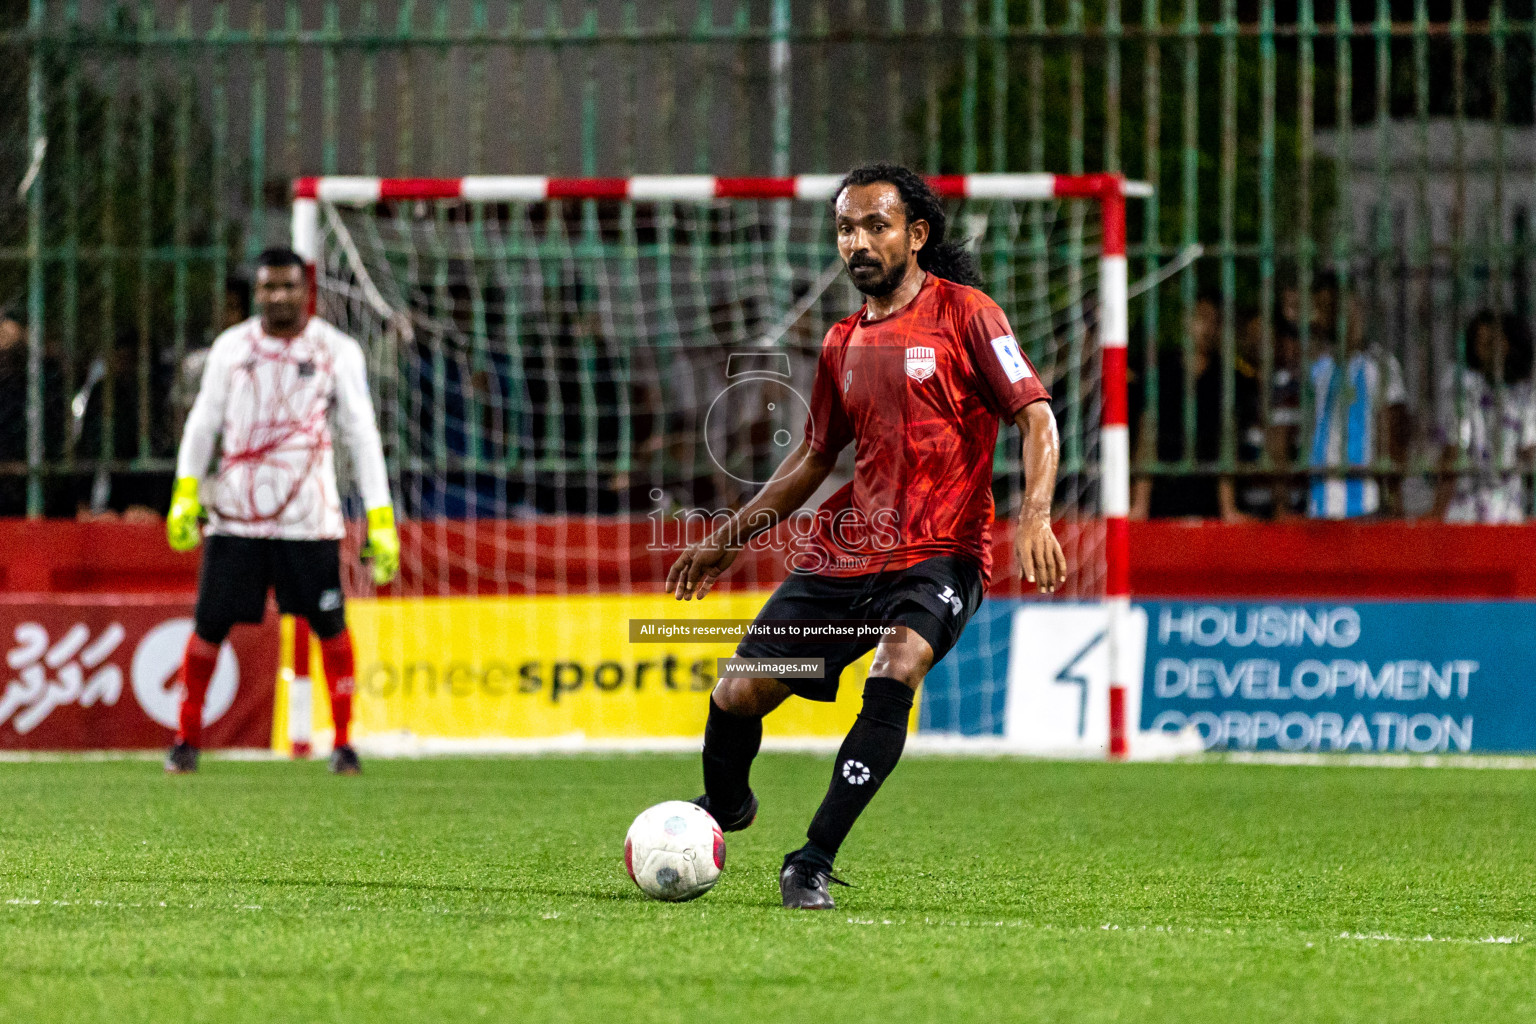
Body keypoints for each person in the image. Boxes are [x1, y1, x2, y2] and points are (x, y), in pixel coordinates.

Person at [665, 163, 1065, 909]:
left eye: (875, 225)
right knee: (738, 691)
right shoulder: (842, 341)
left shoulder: (968, 313)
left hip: (942, 550)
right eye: (846, 228)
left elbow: (1035, 415)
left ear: (915, 235)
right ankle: (725, 809)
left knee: (899, 662)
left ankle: (811, 859)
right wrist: (729, 537)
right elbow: (815, 455)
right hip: (849, 554)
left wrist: (1035, 513)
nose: (858, 241)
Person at [163, 248, 400, 775]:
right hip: (236, 515)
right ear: (258, 293)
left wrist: (379, 517)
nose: (279, 296)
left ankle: (342, 743)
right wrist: (186, 490)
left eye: (289, 286)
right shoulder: (231, 348)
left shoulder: (336, 350)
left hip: (308, 520)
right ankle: (185, 740)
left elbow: (361, 435)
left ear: (305, 289)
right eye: (269, 287)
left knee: (329, 625)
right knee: (208, 627)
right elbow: (203, 424)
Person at [1129, 292, 1257, 521]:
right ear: (1186, 320)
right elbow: (1146, 438)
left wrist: (1228, 507)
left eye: (1216, 321)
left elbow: (1228, 441)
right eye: (1202, 318)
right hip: (1164, 495)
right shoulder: (1160, 372)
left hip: (1208, 500)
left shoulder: (1228, 378)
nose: (1208, 328)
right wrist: (1140, 505)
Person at [1306, 286, 1409, 518]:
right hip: (1318, 504)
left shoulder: (1380, 365)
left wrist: (1392, 497)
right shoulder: (1317, 368)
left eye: (1334, 306)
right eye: (1321, 308)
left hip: (1366, 505)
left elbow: (1394, 435)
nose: (1328, 315)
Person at [1432, 311, 1536, 522]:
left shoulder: (1525, 396)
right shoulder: (1463, 387)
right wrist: (1437, 511)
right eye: (1482, 344)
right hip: (1465, 512)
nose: (1489, 351)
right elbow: (1453, 451)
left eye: (1494, 342)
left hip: (1508, 512)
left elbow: (1530, 453)